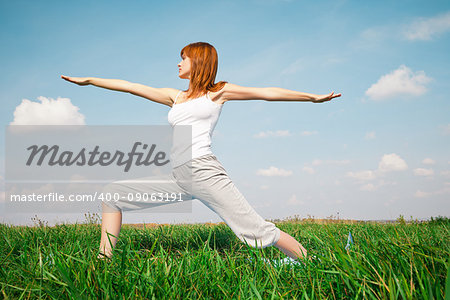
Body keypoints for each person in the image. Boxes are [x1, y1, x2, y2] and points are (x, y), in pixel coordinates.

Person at [61, 41, 341, 261]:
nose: (178, 63)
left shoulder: (218, 92)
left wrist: (312, 97)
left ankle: (311, 260)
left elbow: (267, 92)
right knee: (112, 195)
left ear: (198, 62)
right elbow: (133, 87)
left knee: (254, 231)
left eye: (183, 58)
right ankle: (104, 260)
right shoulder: (176, 97)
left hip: (204, 172)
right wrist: (90, 80)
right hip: (179, 177)